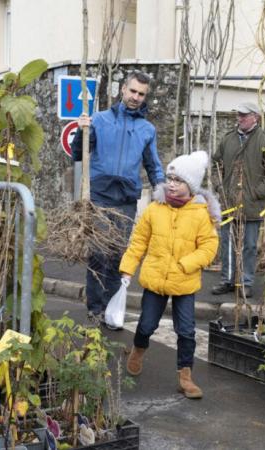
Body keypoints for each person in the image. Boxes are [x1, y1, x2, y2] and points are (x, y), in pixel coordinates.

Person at [119, 151, 220, 399]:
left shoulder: (200, 213)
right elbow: (139, 241)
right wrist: (127, 269)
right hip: (155, 279)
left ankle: (185, 378)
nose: (171, 184)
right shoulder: (155, 209)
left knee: (186, 331)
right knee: (146, 324)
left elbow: (209, 247)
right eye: (170, 178)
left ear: (191, 186)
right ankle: (138, 349)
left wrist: (187, 264)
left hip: (184, 281)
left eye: (178, 180)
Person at [71, 71, 165, 329]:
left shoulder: (147, 130)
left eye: (141, 94)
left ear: (145, 96)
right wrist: (81, 131)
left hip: (126, 200)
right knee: (98, 254)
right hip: (99, 196)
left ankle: (112, 312)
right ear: (123, 89)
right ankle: (95, 309)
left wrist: (163, 192)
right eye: (132, 91)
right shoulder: (99, 120)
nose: (136, 97)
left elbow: (153, 165)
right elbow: (78, 154)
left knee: (117, 257)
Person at [211, 102, 265, 298]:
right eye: (238, 114)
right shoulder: (228, 139)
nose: (239, 118)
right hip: (229, 201)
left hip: (252, 203)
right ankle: (227, 280)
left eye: (243, 115)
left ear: (255, 117)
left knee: (249, 245)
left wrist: (257, 193)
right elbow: (216, 164)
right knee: (227, 243)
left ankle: (246, 282)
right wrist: (219, 186)